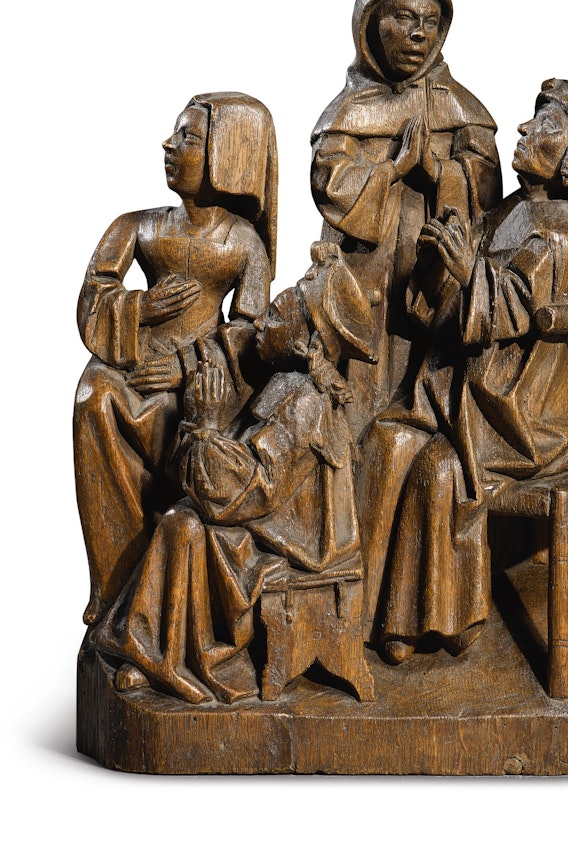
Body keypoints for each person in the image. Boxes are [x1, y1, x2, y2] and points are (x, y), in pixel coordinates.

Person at [361, 79, 568, 663]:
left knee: (440, 471)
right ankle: (368, 614)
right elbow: (454, 294)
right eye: (532, 119)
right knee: (385, 439)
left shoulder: (558, 235)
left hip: (531, 410)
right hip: (476, 390)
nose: (525, 129)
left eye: (547, 125)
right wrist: (440, 260)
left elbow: (512, 308)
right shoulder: (510, 210)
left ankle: (440, 624)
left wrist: (467, 272)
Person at [91, 243, 376, 704]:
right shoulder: (285, 381)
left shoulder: (304, 401)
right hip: (268, 516)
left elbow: (250, 490)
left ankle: (183, 658)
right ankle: (153, 651)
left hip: (295, 540)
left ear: (305, 343)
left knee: (185, 524)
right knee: (182, 516)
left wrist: (204, 429)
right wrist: (199, 425)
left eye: (275, 316)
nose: (259, 322)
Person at [74, 92, 277, 625]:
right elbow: (94, 292)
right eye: (176, 134)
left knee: (182, 419)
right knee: (93, 398)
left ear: (224, 156)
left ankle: (167, 592)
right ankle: (114, 579)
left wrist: (189, 364)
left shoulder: (242, 243)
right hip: (133, 362)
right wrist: (140, 308)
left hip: (201, 377)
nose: (168, 145)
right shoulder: (137, 226)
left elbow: (252, 332)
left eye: (188, 138)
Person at [311, 0, 502, 435]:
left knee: (426, 405)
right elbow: (329, 182)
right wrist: (394, 169)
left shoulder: (459, 106)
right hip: (361, 271)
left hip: (433, 274)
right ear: (370, 25)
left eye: (430, 22)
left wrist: (437, 171)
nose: (418, 33)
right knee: (353, 401)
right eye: (403, 17)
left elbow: (487, 192)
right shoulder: (350, 108)